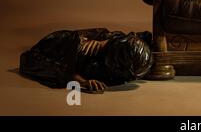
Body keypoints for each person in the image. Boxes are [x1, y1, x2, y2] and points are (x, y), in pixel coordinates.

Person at [19, 28, 153, 93]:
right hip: (64, 50)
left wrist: (105, 41)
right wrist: (80, 81)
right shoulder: (74, 44)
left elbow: (141, 35)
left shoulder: (130, 61)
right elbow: (28, 61)